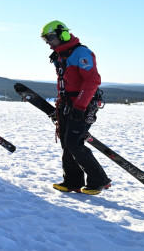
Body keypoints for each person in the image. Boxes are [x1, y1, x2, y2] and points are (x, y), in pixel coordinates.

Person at [41, 20, 111, 195]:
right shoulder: (60, 54)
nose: (48, 42)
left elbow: (92, 81)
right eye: (45, 39)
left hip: (82, 104)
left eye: (50, 38)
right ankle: (72, 181)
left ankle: (99, 179)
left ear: (62, 34)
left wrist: (80, 106)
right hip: (66, 104)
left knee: (74, 143)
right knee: (66, 143)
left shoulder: (81, 53)